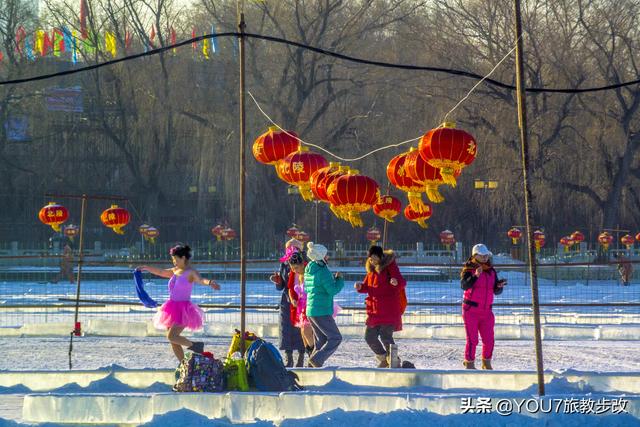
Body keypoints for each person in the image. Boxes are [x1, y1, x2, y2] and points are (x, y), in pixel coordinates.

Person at [138, 244, 220, 362]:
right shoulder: (174, 271)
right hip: (170, 308)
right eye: (173, 259)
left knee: (172, 336)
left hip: (184, 310)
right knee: (173, 340)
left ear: (183, 258)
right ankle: (183, 365)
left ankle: (195, 345)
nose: (174, 261)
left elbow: (201, 280)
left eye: (176, 259)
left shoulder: (191, 272)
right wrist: (146, 267)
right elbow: (161, 272)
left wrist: (210, 282)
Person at [355, 245, 407, 368]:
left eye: (374, 258)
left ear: (380, 257)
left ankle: (394, 360)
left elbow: (402, 282)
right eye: (370, 258)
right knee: (369, 337)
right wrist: (361, 287)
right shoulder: (371, 271)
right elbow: (368, 286)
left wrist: (396, 282)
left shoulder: (390, 267)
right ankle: (384, 358)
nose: (372, 261)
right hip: (374, 310)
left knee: (386, 337)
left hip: (389, 310)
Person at [460, 243, 506, 370]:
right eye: (482, 255)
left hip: (487, 311)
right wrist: (475, 276)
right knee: (473, 339)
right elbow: (464, 285)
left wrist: (499, 286)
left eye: (486, 255)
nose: (485, 258)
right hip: (471, 310)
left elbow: (495, 290)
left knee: (489, 339)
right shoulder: (468, 269)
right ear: (475, 256)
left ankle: (486, 362)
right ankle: (469, 363)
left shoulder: (491, 270)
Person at [304, 242, 344, 367]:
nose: (328, 257)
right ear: (320, 256)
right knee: (336, 337)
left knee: (321, 340)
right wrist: (339, 280)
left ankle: (312, 366)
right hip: (321, 310)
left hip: (311, 309)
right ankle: (317, 360)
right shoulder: (323, 271)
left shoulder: (309, 268)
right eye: (326, 255)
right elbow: (332, 290)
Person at [269, 238, 305, 367]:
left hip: (301, 298)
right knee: (285, 329)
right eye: (288, 248)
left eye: (293, 248)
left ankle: (301, 356)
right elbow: (282, 286)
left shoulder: (305, 263)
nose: (290, 251)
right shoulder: (284, 264)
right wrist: (278, 281)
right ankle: (288, 357)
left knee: (301, 327)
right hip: (286, 300)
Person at [287, 251, 315, 360]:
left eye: (296, 267)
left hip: (310, 304)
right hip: (301, 306)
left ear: (303, 264)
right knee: (303, 333)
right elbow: (290, 289)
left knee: (306, 330)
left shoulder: (309, 273)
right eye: (292, 268)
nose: (294, 270)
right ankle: (310, 354)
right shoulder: (296, 274)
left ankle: (314, 353)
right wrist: (293, 299)